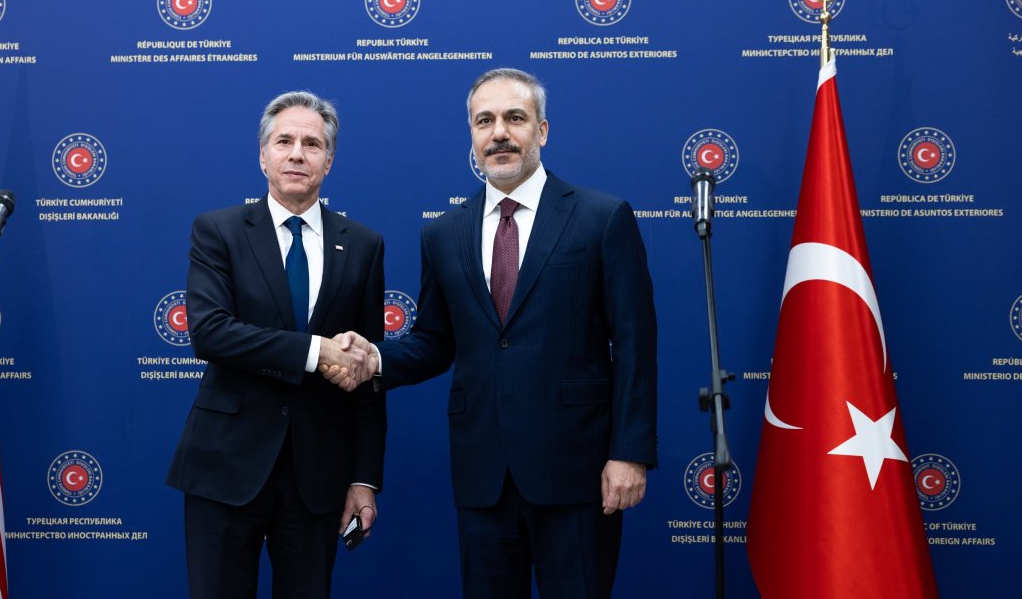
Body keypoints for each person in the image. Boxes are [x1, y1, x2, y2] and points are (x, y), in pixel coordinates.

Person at [332, 68, 657, 598]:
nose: (499, 133)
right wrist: (376, 360)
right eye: (485, 121)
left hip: (578, 473)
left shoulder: (601, 217)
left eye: (514, 118)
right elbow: (436, 340)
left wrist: (630, 452)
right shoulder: (442, 232)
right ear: (472, 135)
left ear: (542, 131)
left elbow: (637, 341)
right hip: (483, 476)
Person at [167, 91, 386, 599]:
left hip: (318, 476)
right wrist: (316, 351)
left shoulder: (364, 245)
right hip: (225, 468)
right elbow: (211, 332)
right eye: (284, 141)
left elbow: (367, 374)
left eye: (312, 144)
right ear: (262, 154)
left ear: (328, 162)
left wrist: (364, 479)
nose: (296, 154)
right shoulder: (217, 231)